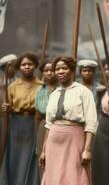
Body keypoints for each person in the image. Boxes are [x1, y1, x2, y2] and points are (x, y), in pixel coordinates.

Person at [39, 56, 98, 185]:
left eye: (64, 68)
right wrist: (44, 150)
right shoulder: (54, 94)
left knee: (74, 176)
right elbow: (48, 125)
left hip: (74, 139)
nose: (60, 71)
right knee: (54, 176)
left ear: (72, 70)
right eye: (57, 69)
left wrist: (87, 149)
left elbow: (91, 123)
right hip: (53, 142)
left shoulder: (83, 92)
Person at [0, 52, 42, 185]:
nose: (27, 67)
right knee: (15, 157)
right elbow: (9, 108)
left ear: (35, 66)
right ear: (19, 67)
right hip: (16, 126)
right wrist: (7, 108)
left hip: (34, 124)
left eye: (30, 64)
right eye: (24, 64)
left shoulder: (42, 86)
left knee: (32, 157)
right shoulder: (12, 87)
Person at [35, 59, 57, 178]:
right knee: (43, 160)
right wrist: (37, 133)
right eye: (46, 71)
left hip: (58, 127)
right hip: (43, 127)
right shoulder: (40, 90)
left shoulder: (62, 89)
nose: (49, 73)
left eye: (52, 70)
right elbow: (38, 116)